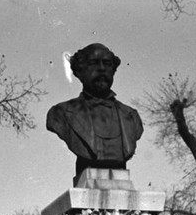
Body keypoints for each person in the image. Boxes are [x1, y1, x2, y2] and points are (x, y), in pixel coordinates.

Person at [46, 43, 144, 179]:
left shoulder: (131, 116)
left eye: (107, 64)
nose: (102, 69)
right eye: (94, 63)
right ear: (79, 72)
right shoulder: (61, 113)